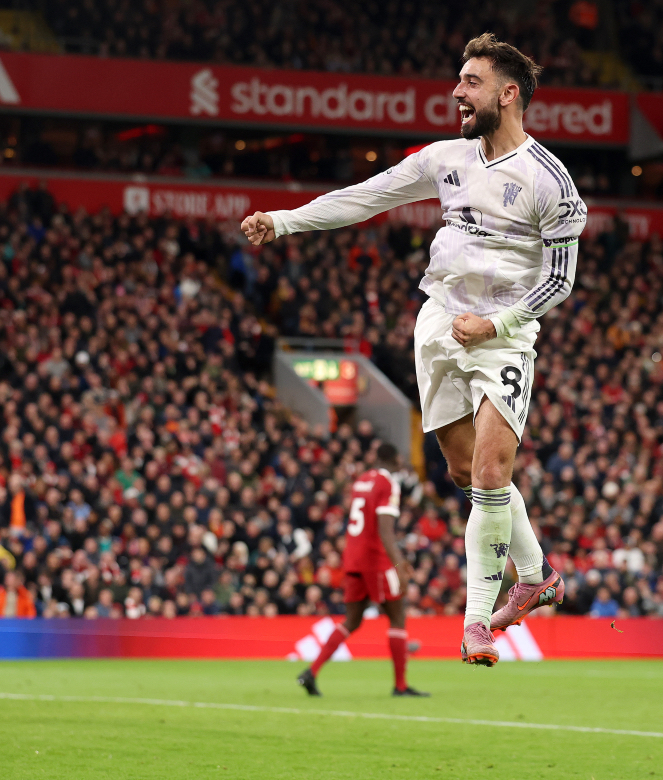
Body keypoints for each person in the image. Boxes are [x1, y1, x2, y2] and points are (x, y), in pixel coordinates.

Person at [243, 33, 584, 666]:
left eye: (472, 82)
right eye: (459, 80)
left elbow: (560, 281)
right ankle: (537, 577)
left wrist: (497, 324)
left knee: (491, 473)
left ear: (509, 94)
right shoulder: (444, 158)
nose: (457, 92)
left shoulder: (550, 181)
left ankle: (477, 622)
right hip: (438, 325)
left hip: (503, 336)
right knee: (462, 473)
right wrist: (283, 220)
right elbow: (365, 197)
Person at [297, 444, 428, 697]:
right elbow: (385, 530)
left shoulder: (362, 480)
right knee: (397, 616)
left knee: (352, 620)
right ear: (395, 460)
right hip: (375, 560)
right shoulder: (388, 483)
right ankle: (400, 686)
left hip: (353, 558)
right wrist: (399, 566)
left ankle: (311, 672)